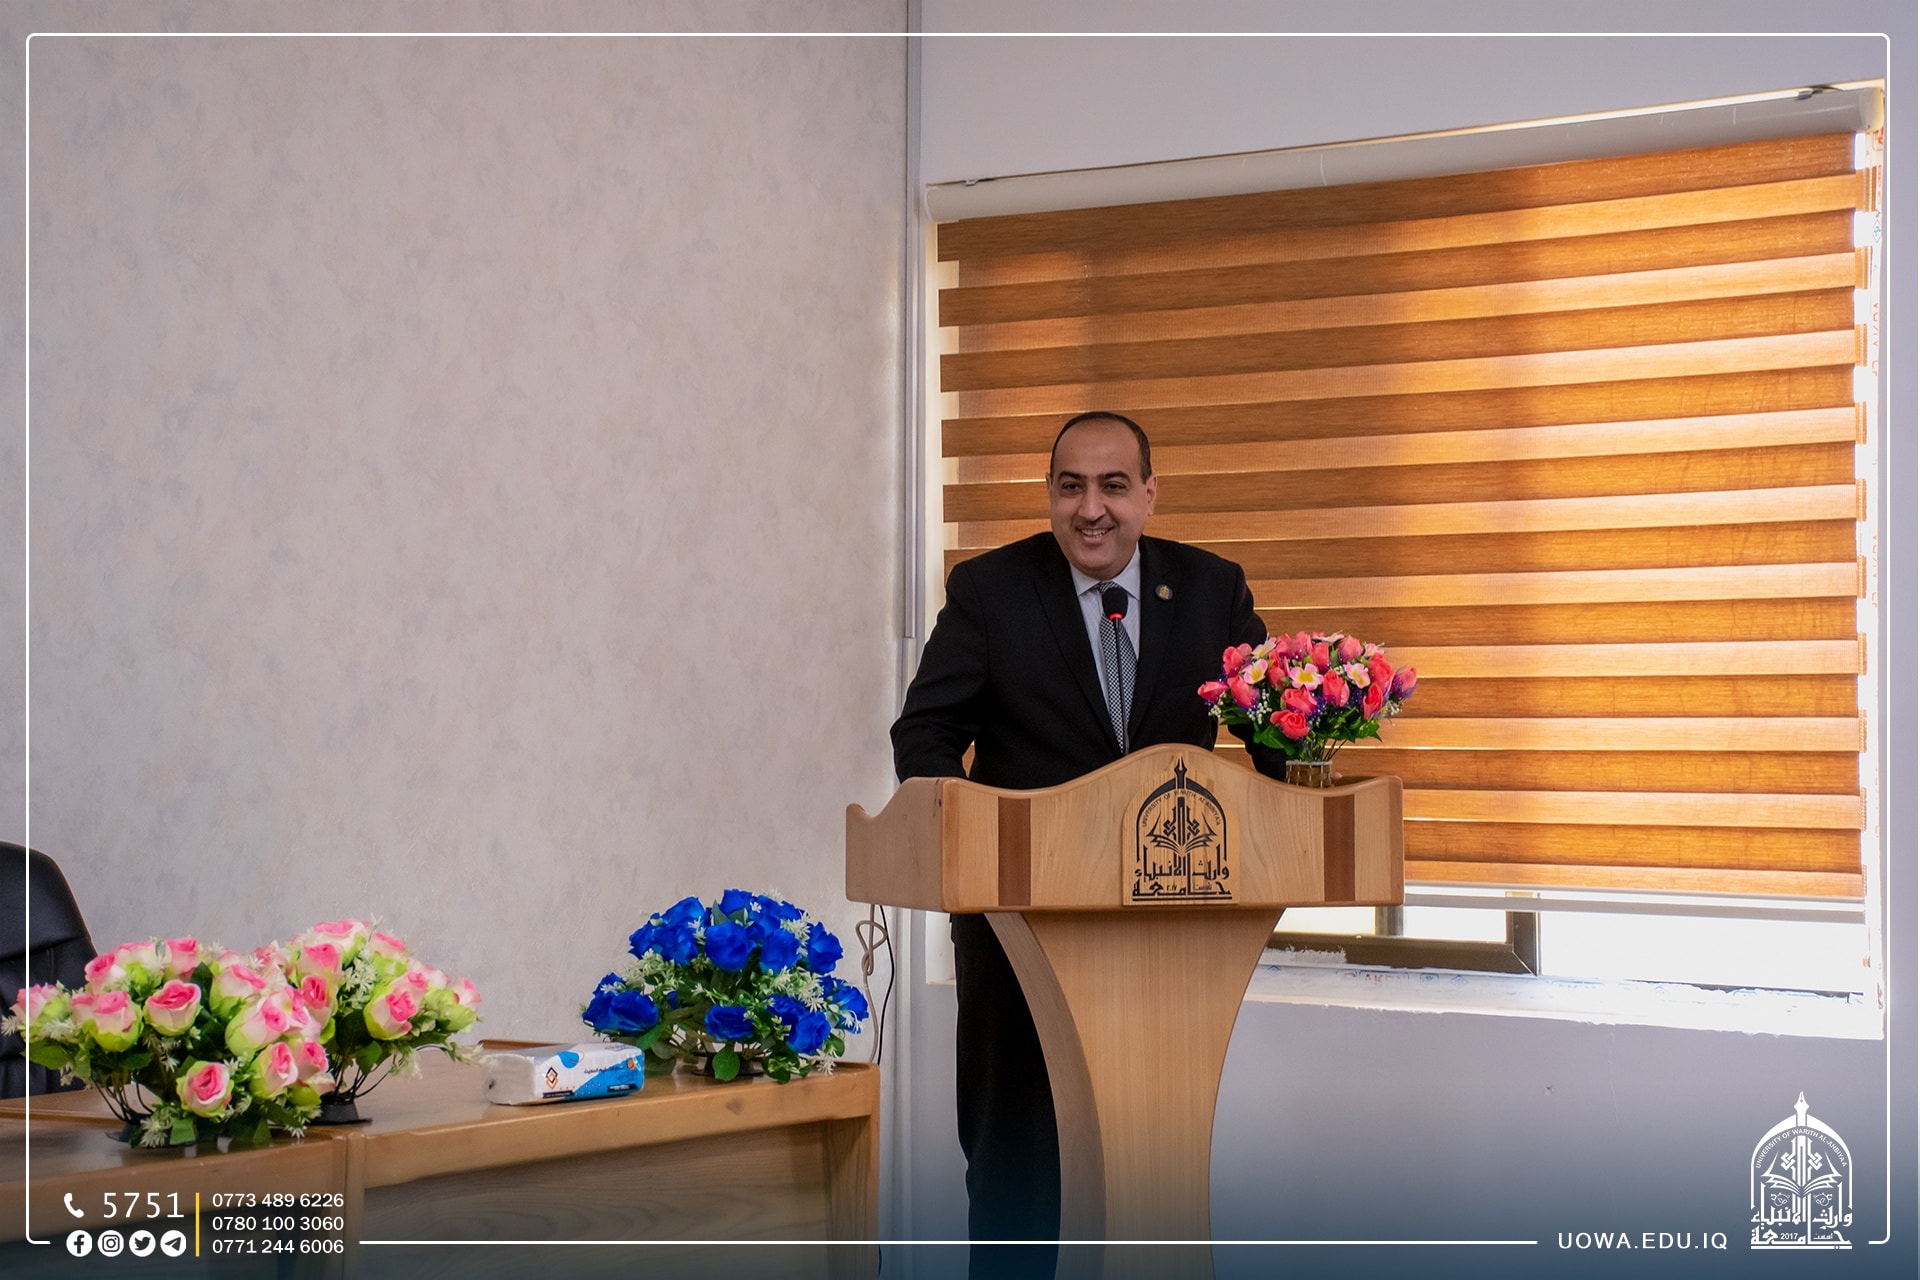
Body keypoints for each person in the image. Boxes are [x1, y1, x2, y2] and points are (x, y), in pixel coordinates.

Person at [891, 411, 1283, 1277]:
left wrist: (1306, 789)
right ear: (1049, 494)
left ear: (1150, 492)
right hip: (1017, 930)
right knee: (1017, 1168)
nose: (1091, 509)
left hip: (1169, 931)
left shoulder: (1212, 588)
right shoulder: (990, 590)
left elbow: (1271, 732)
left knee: (1148, 1171)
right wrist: (965, 828)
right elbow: (924, 733)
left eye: (1113, 486)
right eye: (1070, 487)